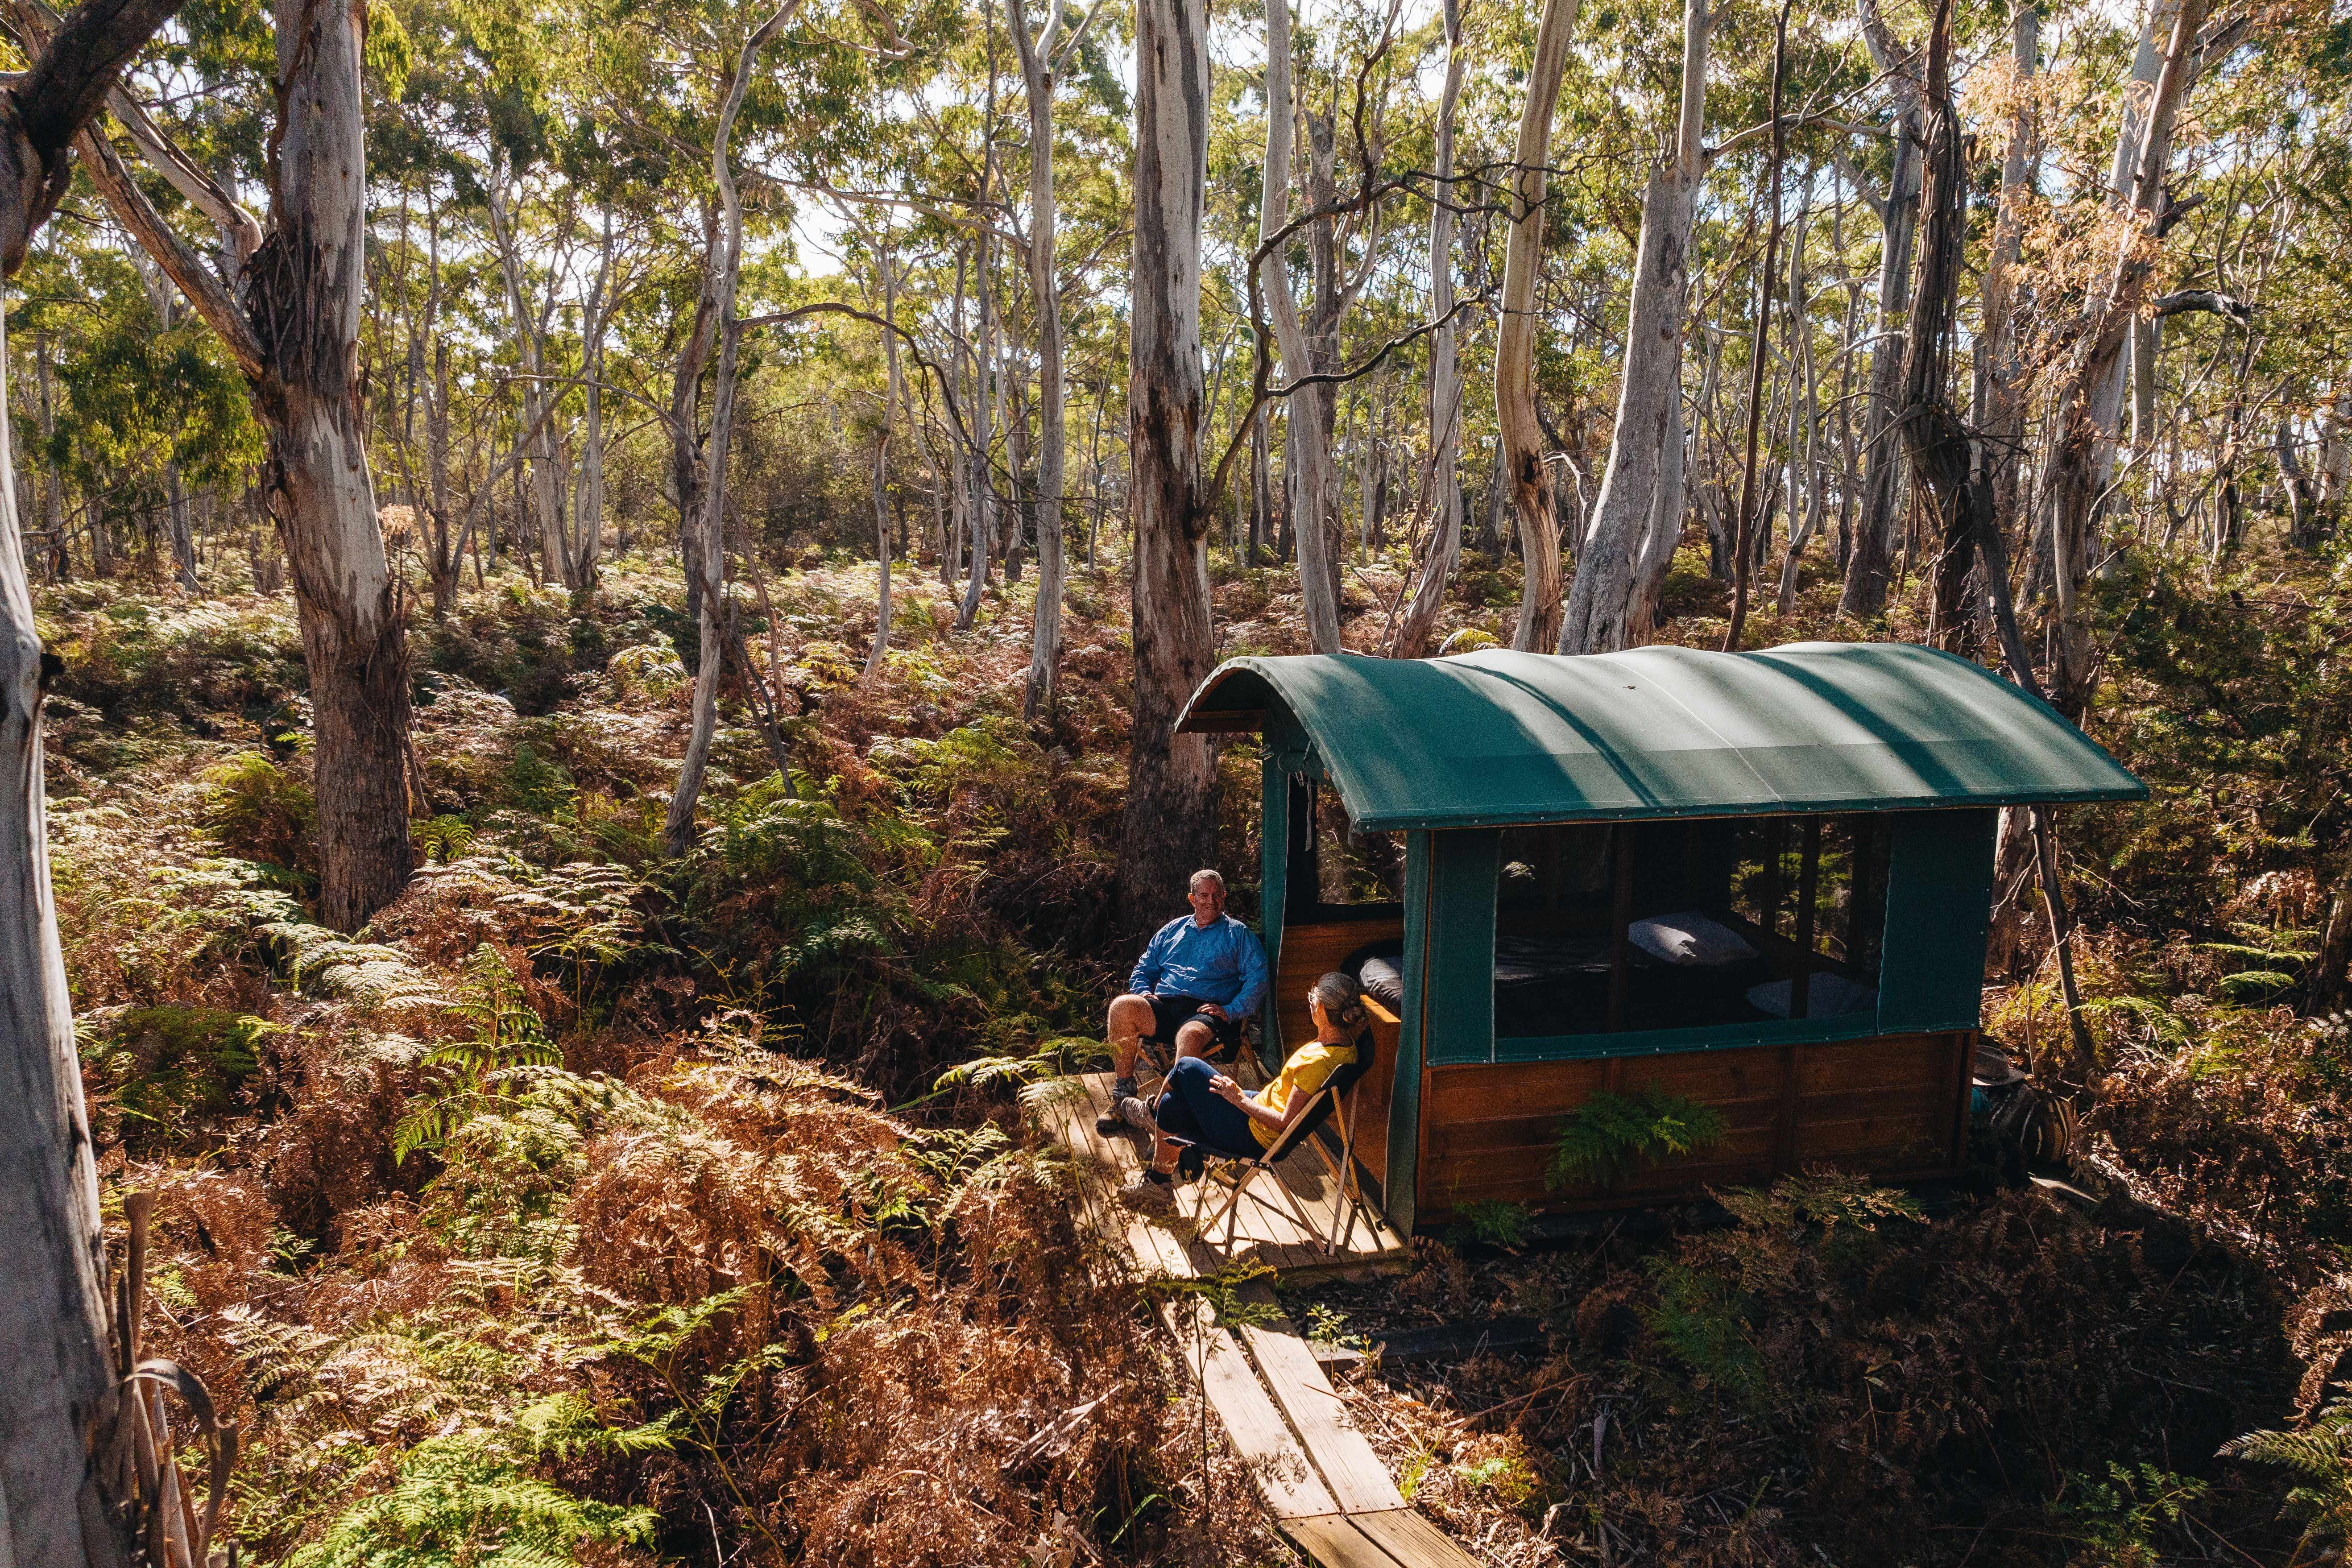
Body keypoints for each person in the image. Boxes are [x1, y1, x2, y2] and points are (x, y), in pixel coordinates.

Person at [1117, 971, 1366, 1215]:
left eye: (1312, 1000)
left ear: (1321, 1008)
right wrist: (1241, 1098)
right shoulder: (1344, 1046)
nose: (1310, 1005)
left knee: (1186, 1067)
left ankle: (1152, 1113)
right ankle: (1159, 1184)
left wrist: (1237, 1099)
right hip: (1258, 1106)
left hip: (1254, 1134)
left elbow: (1284, 1123)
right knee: (1174, 1103)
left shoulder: (1320, 1064)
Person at [1097, 869, 1269, 1136]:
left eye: (1216, 895)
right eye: (1204, 895)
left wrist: (1232, 1010)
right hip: (1166, 1006)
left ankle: (1165, 1113)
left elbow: (1258, 979)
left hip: (1208, 1012)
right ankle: (1121, 1096)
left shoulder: (1238, 934)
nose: (1211, 901)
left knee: (1189, 1034)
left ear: (1224, 897)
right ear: (1192, 899)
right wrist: (1143, 991)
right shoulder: (1173, 930)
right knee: (1122, 1006)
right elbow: (1144, 969)